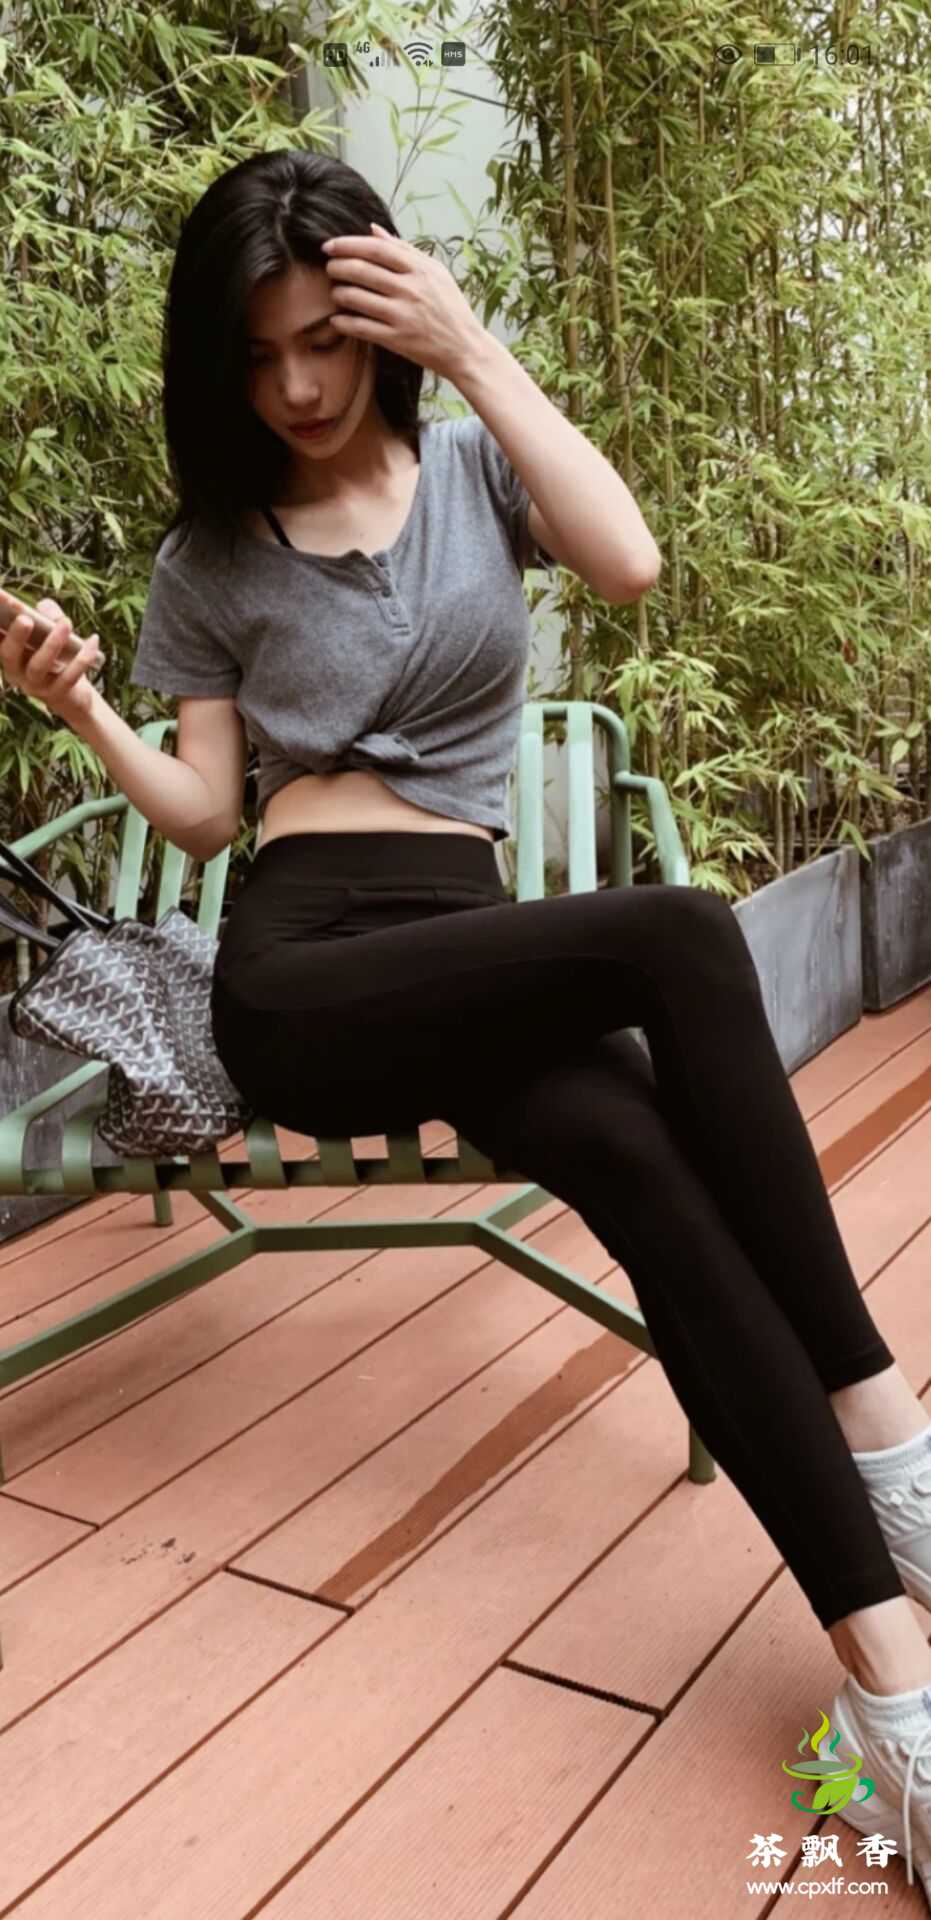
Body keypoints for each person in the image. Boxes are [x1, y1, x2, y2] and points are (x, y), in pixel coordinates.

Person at [4, 147, 931, 1899]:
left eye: (325, 341)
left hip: (466, 942)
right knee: (677, 936)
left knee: (640, 1163)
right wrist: (85, 717)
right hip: (302, 975)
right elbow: (201, 817)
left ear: (382, 318)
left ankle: (894, 1687)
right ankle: (889, 1436)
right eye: (260, 355)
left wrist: (475, 345)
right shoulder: (211, 555)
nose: (297, 386)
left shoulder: (481, 469)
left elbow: (630, 563)